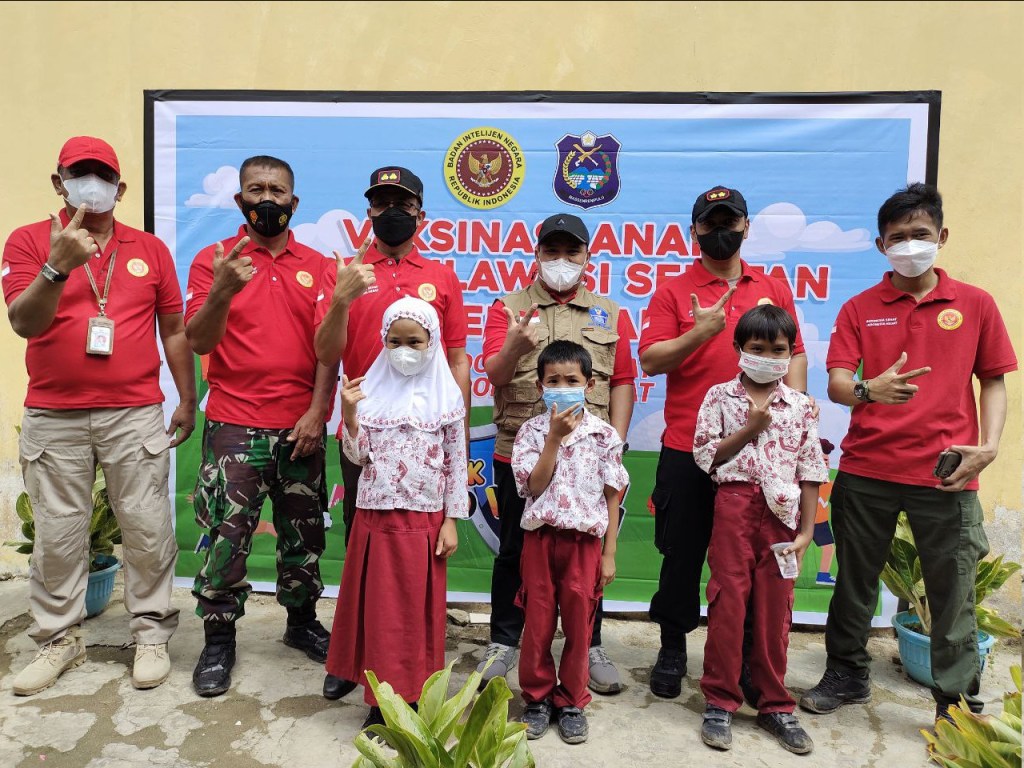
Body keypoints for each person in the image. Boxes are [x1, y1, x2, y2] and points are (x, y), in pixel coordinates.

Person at [800, 183, 1017, 724]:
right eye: (897, 237)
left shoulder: (976, 304)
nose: (909, 245)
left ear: (942, 237)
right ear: (881, 245)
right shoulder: (859, 308)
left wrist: (989, 447)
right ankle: (847, 674)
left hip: (948, 474)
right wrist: (869, 389)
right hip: (867, 469)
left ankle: (954, 700)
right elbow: (838, 385)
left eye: (920, 234)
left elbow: (993, 380)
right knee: (854, 583)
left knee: (953, 592)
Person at [2, 136, 195, 694]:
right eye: (79, 174)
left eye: (103, 175)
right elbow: (24, 322)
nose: (92, 184)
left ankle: (151, 633)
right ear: (58, 182)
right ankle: (59, 639)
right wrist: (56, 267)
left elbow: (173, 330)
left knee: (147, 526)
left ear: (120, 187)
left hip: (134, 412)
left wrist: (187, 399)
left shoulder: (150, 250)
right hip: (54, 414)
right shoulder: (28, 241)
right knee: (58, 534)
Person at [638, 185, 807, 699]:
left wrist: (793, 410)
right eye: (709, 224)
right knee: (681, 554)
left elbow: (795, 353)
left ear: (746, 227)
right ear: (693, 231)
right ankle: (672, 648)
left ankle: (749, 660)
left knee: (752, 560)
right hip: (689, 448)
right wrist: (701, 331)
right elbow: (651, 360)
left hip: (761, 453)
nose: (719, 232)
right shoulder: (672, 291)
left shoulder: (773, 287)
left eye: (729, 222)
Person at [184, 155, 338, 697]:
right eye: (256, 189)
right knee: (226, 537)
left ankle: (301, 622)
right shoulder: (215, 261)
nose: (266, 199)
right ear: (239, 199)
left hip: (301, 426)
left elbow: (329, 350)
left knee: (304, 535)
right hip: (234, 423)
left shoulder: (319, 266)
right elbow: (198, 340)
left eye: (277, 190)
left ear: (294, 202)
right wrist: (223, 289)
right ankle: (218, 638)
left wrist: (318, 412)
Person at [314, 166, 470, 701]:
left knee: (414, 574)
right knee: (365, 558)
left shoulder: (442, 277)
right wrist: (341, 297)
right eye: (381, 204)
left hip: (427, 441)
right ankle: (355, 661)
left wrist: (455, 418)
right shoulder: (349, 272)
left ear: (420, 213)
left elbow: (455, 357)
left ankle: (406, 667)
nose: (392, 213)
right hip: (369, 428)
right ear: (369, 212)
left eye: (402, 204)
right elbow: (326, 353)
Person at [479, 213, 635, 695]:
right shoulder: (508, 309)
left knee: (588, 553)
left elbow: (623, 381)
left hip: (590, 457)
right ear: (537, 254)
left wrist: (615, 443)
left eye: (572, 252)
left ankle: (590, 645)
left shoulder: (611, 313)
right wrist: (514, 346)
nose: (562, 260)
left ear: (588, 257)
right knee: (513, 550)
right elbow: (495, 374)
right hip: (520, 452)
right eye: (552, 251)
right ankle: (504, 642)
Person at [325, 297, 467, 732]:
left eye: (415, 341)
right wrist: (350, 415)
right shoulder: (368, 393)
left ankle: (414, 695)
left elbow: (455, 463)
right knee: (381, 615)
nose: (405, 350)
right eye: (395, 341)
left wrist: (451, 520)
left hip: (424, 522)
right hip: (377, 521)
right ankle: (380, 700)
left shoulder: (448, 399)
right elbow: (357, 456)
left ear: (432, 342)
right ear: (383, 341)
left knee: (416, 616)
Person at [693, 305, 826, 754]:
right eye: (758, 348)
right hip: (734, 507)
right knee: (728, 603)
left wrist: (806, 532)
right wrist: (750, 429)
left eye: (778, 350)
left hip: (783, 516)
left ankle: (775, 705)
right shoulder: (719, 397)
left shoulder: (802, 405)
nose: (768, 357)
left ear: (791, 353)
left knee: (775, 610)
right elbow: (705, 456)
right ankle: (720, 701)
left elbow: (811, 470)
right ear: (739, 349)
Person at [511, 341, 628, 745]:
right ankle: (537, 698)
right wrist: (553, 440)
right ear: (540, 386)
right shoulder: (530, 432)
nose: (562, 388)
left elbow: (612, 496)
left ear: (589, 385)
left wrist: (609, 553)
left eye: (571, 380)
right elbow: (533, 486)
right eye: (553, 381)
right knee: (538, 623)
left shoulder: (604, 435)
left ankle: (572, 700)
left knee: (580, 627)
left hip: (584, 545)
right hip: (541, 541)